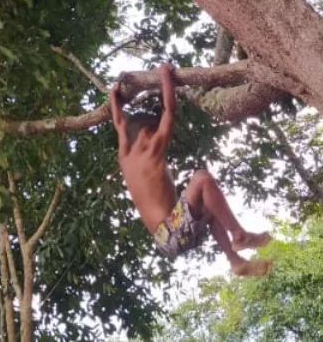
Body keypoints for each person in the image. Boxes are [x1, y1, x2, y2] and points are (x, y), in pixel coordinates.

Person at [109, 63, 273, 277]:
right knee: (202, 178)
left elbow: (119, 122)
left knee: (212, 207)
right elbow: (169, 110)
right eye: (154, 129)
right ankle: (239, 235)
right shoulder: (151, 149)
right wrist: (165, 75)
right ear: (146, 132)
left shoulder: (125, 156)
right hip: (171, 230)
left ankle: (236, 261)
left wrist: (114, 96)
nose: (157, 133)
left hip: (164, 240)